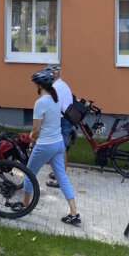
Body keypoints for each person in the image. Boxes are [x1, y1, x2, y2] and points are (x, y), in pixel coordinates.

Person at [20, 69, 81, 226]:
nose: (34, 88)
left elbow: (36, 129)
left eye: (35, 85)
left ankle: (24, 206)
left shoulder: (40, 103)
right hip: (58, 143)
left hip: (45, 145)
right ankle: (74, 213)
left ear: (40, 86)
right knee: (62, 177)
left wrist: (31, 138)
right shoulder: (55, 99)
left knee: (29, 174)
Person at [44, 64, 74, 188]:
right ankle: (57, 174)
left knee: (60, 151)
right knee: (60, 149)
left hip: (63, 121)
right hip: (67, 119)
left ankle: (60, 180)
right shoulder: (62, 84)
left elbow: (55, 107)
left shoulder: (55, 87)